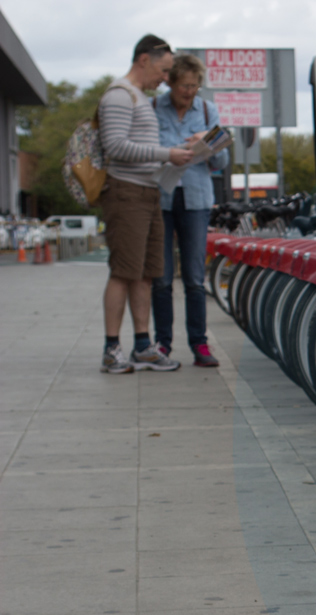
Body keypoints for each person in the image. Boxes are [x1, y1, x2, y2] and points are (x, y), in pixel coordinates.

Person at [98, 34, 193, 373]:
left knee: (146, 274)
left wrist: (170, 158)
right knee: (123, 272)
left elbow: (136, 147)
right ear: (144, 60)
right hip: (126, 194)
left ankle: (143, 345)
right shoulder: (119, 96)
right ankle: (112, 349)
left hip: (149, 192)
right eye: (164, 70)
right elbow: (115, 147)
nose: (165, 80)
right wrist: (166, 154)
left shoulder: (139, 98)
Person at [152, 53, 227, 367]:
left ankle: (200, 344)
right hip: (161, 197)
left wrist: (206, 142)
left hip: (196, 199)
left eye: (194, 86)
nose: (189, 92)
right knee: (162, 277)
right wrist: (170, 152)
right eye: (184, 85)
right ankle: (163, 344)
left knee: (195, 278)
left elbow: (221, 163)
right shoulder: (154, 108)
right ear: (170, 83)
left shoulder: (208, 110)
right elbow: (145, 150)